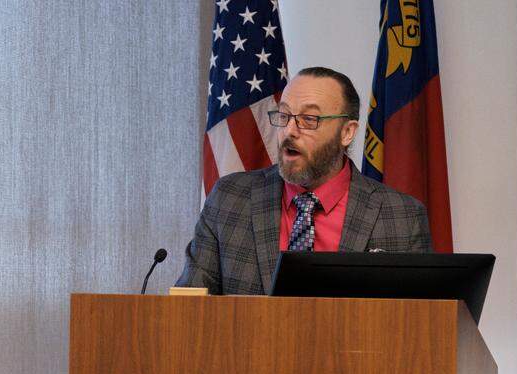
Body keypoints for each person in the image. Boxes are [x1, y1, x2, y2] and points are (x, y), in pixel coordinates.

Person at [176, 66, 433, 295]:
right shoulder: (229, 199)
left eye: (309, 120)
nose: (290, 131)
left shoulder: (402, 217)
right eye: (284, 116)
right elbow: (189, 309)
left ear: (346, 132)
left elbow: (418, 322)